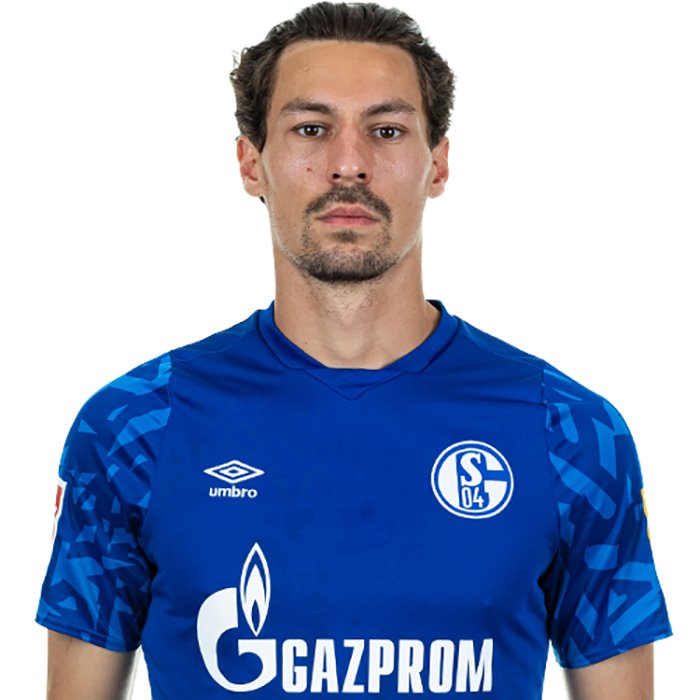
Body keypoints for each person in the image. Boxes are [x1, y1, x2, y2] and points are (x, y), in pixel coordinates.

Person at [37, 3, 672, 698]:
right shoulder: (134, 429)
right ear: (252, 163)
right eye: (311, 129)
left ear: (438, 164)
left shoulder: (569, 434)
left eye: (386, 130)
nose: (349, 164)